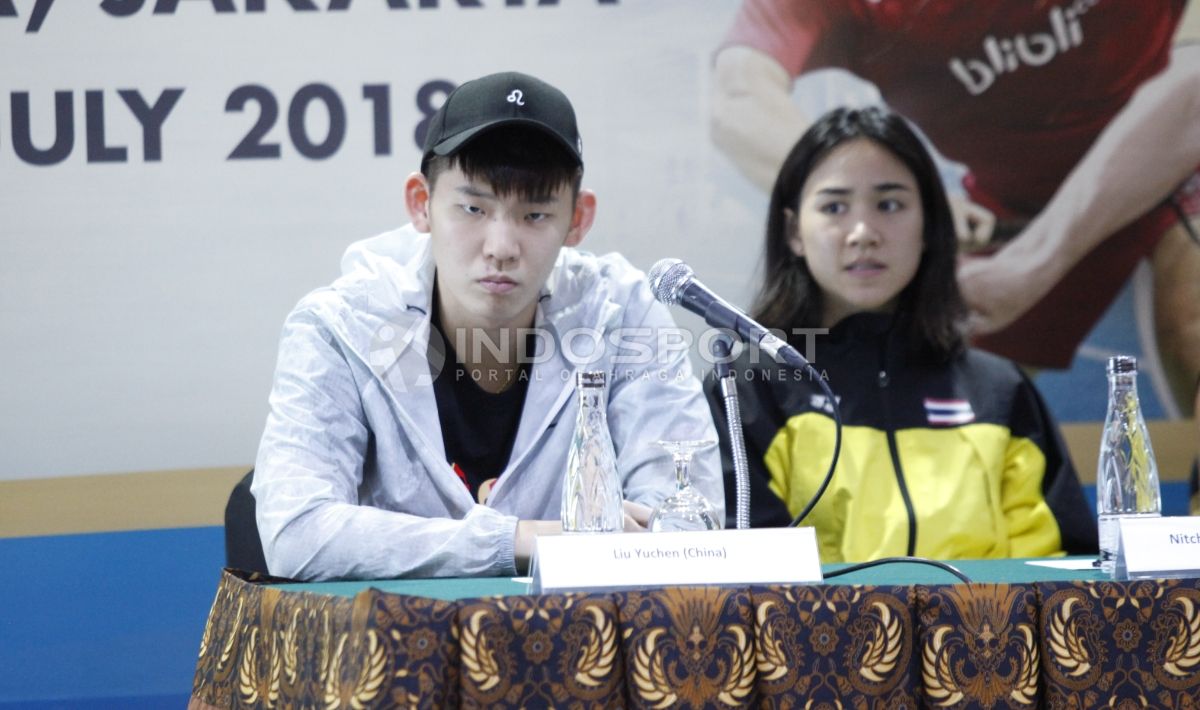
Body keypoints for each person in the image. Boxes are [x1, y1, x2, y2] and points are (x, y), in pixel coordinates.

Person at [252, 71, 723, 581]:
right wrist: (521, 539)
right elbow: (296, 534)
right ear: (420, 203)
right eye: (473, 208)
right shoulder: (339, 326)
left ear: (578, 220)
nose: (501, 246)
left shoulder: (624, 313)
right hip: (396, 647)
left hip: (582, 647)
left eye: (536, 214)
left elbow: (683, 524)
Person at [710, 1, 1200, 449]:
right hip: (1011, 211)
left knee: (1191, 319)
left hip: (1177, 161)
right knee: (926, 407)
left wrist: (1037, 261)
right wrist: (888, 200)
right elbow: (739, 98)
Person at [708, 107, 1096, 561]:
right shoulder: (749, 386)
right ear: (795, 232)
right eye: (834, 207)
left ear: (930, 225)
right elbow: (755, 579)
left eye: (889, 204)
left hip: (987, 632)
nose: (863, 233)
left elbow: (1058, 572)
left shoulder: (1000, 391)